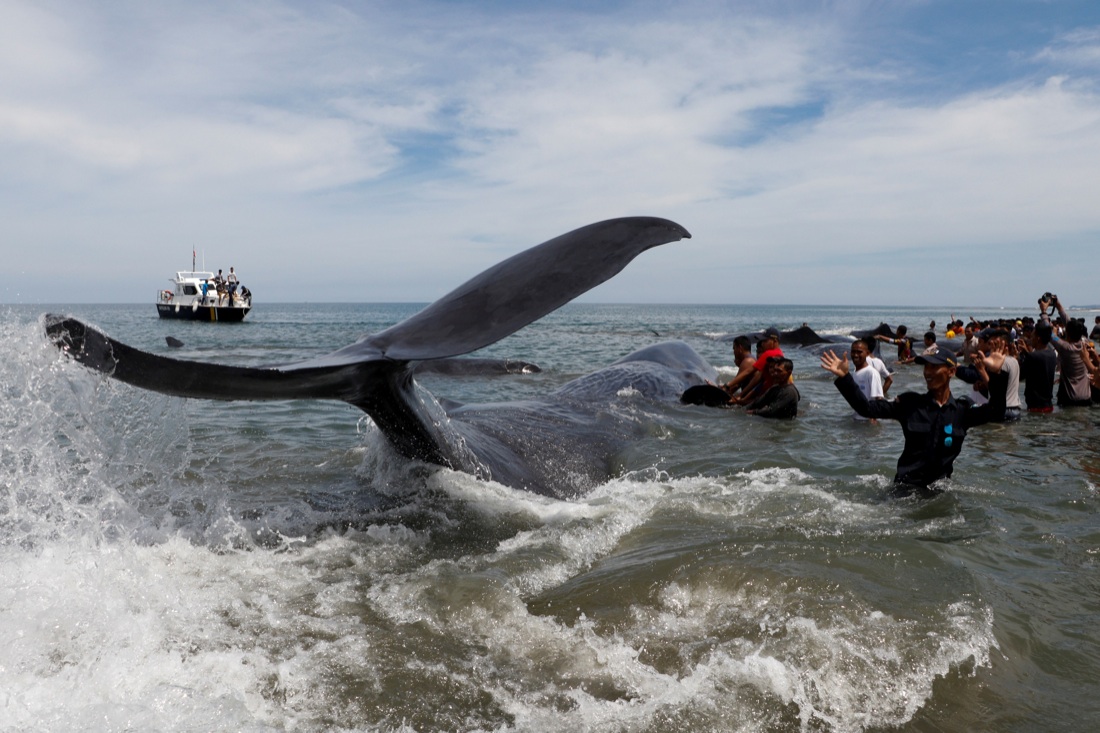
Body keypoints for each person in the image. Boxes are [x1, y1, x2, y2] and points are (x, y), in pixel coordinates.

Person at [820, 346, 1007, 497]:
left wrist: (997, 373)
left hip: (940, 493)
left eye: (934, 367)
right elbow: (867, 409)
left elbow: (996, 412)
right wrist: (845, 377)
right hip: (904, 492)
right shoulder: (910, 404)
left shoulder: (962, 411)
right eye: (926, 367)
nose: (928, 372)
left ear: (951, 371)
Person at [730, 328, 784, 405]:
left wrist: (727, 386)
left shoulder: (768, 354)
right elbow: (758, 383)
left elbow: (748, 372)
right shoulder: (780, 353)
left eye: (765, 341)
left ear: (775, 341)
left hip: (767, 397)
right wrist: (742, 396)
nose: (762, 344)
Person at [1017, 322, 1057, 412]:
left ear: (1038, 339)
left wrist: (1015, 358)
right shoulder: (1052, 354)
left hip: (1035, 406)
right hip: (1048, 404)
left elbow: (1019, 376)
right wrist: (1027, 353)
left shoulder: (1033, 356)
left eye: (1032, 337)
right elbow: (1039, 364)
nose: (1030, 339)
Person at [849, 338, 884, 420]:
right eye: (853, 352)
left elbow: (879, 399)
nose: (856, 355)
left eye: (859, 352)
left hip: (867, 420)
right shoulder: (854, 372)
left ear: (867, 353)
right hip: (857, 418)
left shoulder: (872, 373)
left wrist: (873, 419)